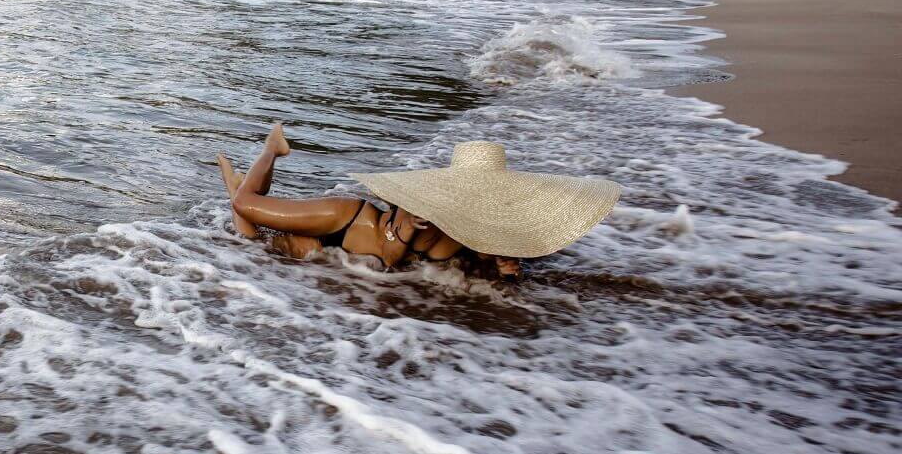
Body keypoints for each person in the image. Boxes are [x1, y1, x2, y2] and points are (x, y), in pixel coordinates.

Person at [218, 124, 621, 276]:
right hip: (344, 222)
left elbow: (490, 273)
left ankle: (233, 183)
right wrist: (407, 230)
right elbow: (389, 262)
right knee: (245, 205)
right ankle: (272, 147)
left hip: (335, 252)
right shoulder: (427, 204)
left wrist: (507, 267)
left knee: (253, 246)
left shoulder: (485, 230)